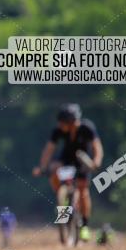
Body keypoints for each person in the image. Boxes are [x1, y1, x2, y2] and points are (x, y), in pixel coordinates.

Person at [32, 103, 103, 241]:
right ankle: (62, 198)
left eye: (62, 122)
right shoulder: (58, 131)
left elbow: (97, 147)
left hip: (83, 161)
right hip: (65, 160)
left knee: (83, 190)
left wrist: (97, 161)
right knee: (53, 170)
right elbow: (49, 150)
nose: (59, 125)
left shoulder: (87, 128)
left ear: (69, 122)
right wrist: (43, 166)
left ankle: (84, 227)